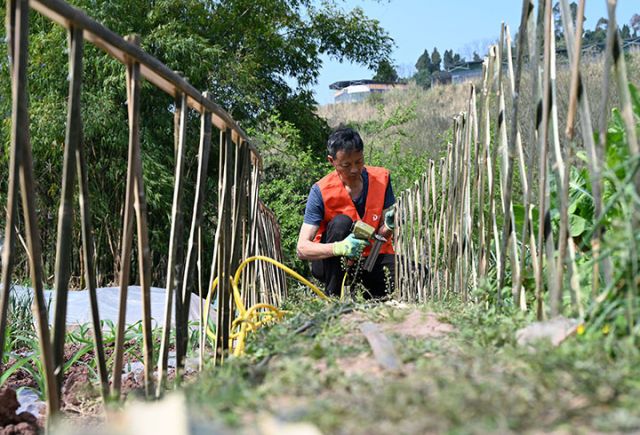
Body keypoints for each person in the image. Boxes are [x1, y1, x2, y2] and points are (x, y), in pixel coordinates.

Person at [296, 127, 396, 298]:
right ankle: (333, 298)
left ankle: (371, 299)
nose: (355, 169)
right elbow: (302, 249)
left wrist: (388, 226)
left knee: (417, 271)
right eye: (346, 165)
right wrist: (338, 248)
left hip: (369, 260)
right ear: (331, 161)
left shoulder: (381, 179)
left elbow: (381, 235)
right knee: (341, 222)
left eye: (359, 161)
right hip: (330, 263)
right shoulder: (320, 191)